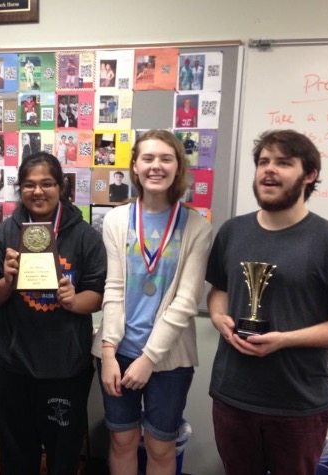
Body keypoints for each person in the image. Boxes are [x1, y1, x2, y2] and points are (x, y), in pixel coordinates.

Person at [205, 129, 328, 475]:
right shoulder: (232, 231)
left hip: (298, 404)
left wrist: (286, 339)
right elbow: (218, 290)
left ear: (309, 175)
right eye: (263, 162)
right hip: (233, 395)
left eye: (283, 162)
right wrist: (218, 316)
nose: (269, 170)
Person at [0, 152, 107, 475]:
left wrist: (74, 301)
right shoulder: (5, 233)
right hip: (14, 365)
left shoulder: (85, 236)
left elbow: (100, 294)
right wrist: (7, 281)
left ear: (61, 185)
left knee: (63, 457)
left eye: (47, 183)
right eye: (29, 185)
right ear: (19, 189)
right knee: (16, 455)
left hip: (66, 368)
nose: (38, 191)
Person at [92, 129, 212, 475]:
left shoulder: (197, 227)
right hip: (118, 352)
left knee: (161, 447)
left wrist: (148, 359)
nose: (156, 166)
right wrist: (110, 352)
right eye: (148, 158)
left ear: (178, 167)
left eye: (165, 158)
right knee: (122, 441)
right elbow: (113, 288)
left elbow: (187, 302)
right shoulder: (115, 220)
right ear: (135, 167)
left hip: (168, 360)